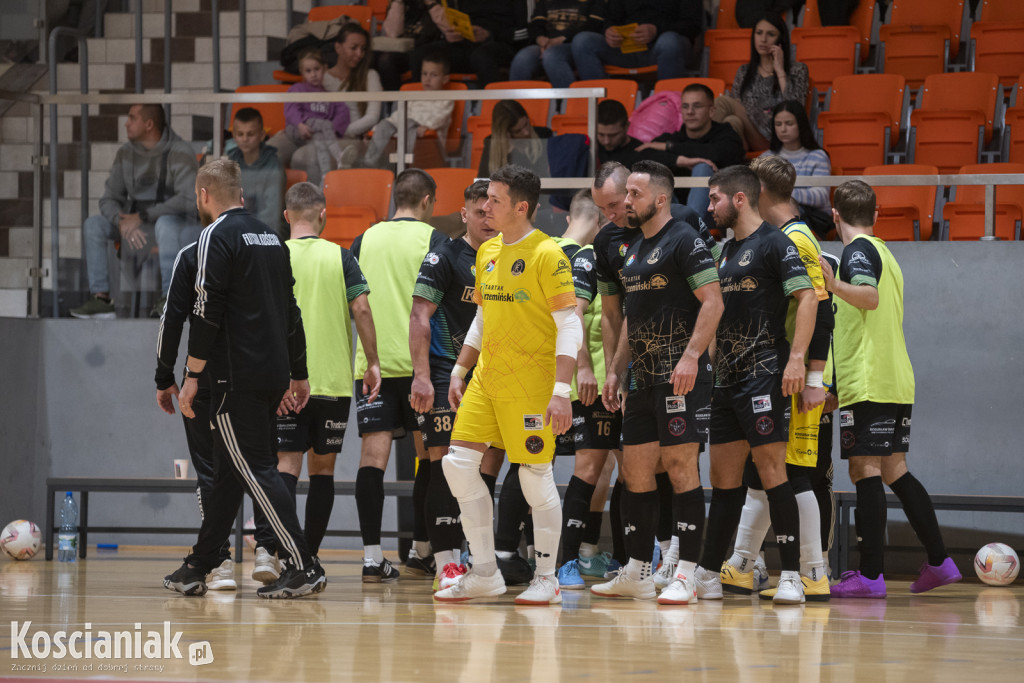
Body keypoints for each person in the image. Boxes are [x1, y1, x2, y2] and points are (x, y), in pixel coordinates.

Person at [163, 158, 324, 599]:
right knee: (232, 473)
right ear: (242, 193)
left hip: (234, 378)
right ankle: (200, 562)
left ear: (203, 195)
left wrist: (193, 373)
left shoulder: (215, 235)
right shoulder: (272, 236)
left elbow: (205, 313)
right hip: (272, 373)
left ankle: (303, 564)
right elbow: (291, 313)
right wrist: (299, 372)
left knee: (256, 469)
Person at [433, 164, 582, 604]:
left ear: (521, 207)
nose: (484, 206)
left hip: (533, 386)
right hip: (487, 379)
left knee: (535, 481)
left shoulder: (548, 255)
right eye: (484, 198)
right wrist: (460, 370)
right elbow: (483, 315)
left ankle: (547, 578)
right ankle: (484, 573)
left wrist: (561, 391)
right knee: (457, 465)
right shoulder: (487, 251)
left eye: (494, 200)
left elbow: (569, 326)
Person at [818, 180, 961, 598]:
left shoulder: (857, 252)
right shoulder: (886, 252)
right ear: (877, 215)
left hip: (870, 380)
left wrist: (834, 286)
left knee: (864, 469)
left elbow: (868, 297)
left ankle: (871, 576)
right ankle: (939, 561)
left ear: (836, 215)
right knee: (894, 469)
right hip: (894, 378)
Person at [590, 161, 724, 605]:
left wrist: (690, 357)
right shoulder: (630, 250)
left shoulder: (684, 239)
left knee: (683, 469)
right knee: (635, 472)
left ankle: (686, 572)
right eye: (625, 193)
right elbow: (630, 317)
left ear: (660, 198)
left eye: (634, 194)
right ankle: (638, 570)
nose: (626, 202)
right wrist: (614, 369)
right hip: (643, 379)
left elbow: (713, 302)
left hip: (681, 378)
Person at [692, 164, 818, 605]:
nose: (709, 207)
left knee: (772, 472)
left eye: (714, 199)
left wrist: (798, 360)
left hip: (764, 374)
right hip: (724, 381)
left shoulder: (776, 243)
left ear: (739, 199)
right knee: (723, 481)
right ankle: (707, 574)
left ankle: (791, 576)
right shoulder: (723, 252)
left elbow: (807, 298)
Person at [719, 154, 834, 602]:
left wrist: (813, 376)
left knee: (792, 472)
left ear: (757, 192)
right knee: (763, 471)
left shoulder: (795, 239)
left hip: (793, 373)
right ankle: (744, 561)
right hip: (772, 371)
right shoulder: (777, 238)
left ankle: (812, 571)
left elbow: (821, 311)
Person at [265, 182, 382, 570]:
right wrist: (373, 362)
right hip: (331, 384)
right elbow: (362, 310)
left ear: (286, 217)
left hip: (283, 383)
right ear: (323, 215)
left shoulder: (274, 255)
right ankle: (307, 558)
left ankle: (276, 551)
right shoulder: (341, 256)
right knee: (323, 471)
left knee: (286, 466)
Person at [351, 168, 448, 583]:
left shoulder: (364, 238)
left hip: (371, 366)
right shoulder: (435, 240)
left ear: (394, 197)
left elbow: (355, 301)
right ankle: (421, 550)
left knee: (372, 460)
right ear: (428, 201)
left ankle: (372, 557)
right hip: (420, 368)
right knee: (430, 457)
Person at [410, 179, 505, 591]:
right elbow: (419, 315)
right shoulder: (443, 256)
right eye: (478, 211)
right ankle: (445, 561)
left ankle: (475, 555)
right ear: (464, 214)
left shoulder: (508, 257)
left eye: (492, 210)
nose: (486, 218)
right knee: (443, 463)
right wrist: (421, 376)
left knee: (485, 471)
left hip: (498, 378)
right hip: (447, 372)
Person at [549, 189, 622, 591]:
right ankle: (566, 561)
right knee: (590, 468)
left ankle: (587, 553)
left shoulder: (547, 249)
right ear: (601, 220)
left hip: (584, 380)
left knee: (606, 469)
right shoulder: (586, 257)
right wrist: (586, 369)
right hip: (585, 382)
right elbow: (572, 317)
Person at [71, 104, 199, 319]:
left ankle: (171, 299)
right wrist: (121, 223)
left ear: (149, 124)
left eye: (132, 118)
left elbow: (189, 199)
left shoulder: (180, 151)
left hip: (175, 225)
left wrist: (142, 217)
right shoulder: (126, 153)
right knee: (94, 225)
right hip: (135, 224)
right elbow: (109, 198)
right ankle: (101, 300)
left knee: (165, 225)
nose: (126, 123)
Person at [639, 84, 746, 214]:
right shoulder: (675, 137)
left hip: (717, 214)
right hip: (675, 213)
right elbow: (642, 155)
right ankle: (680, 229)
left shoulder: (726, 134)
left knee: (702, 167)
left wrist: (670, 147)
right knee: (653, 170)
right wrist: (680, 160)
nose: (690, 112)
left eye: (697, 106)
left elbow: (717, 153)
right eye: (685, 106)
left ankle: (691, 229)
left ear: (711, 111)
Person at [712, 13, 809, 152]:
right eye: (759, 33)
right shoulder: (744, 71)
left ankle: (701, 148)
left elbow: (796, 108)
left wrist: (780, 71)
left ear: (780, 39)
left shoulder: (798, 69)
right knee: (731, 121)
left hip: (777, 135)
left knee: (723, 102)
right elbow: (737, 105)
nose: (763, 39)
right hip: (748, 136)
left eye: (770, 34)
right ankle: (725, 161)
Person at [271, 49, 351, 185]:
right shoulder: (297, 89)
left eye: (317, 69)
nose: (313, 74)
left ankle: (323, 180)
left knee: (315, 146)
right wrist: (300, 124)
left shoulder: (329, 95)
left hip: (316, 136)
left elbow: (343, 113)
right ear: (302, 73)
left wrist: (332, 130)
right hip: (295, 132)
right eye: (308, 71)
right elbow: (291, 109)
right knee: (271, 151)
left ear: (324, 69)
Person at [362, 49, 454, 168]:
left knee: (409, 123)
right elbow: (398, 117)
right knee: (386, 124)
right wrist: (374, 131)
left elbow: (438, 119)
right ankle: (368, 162)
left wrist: (425, 127)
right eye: (424, 74)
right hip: (403, 137)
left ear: (445, 79)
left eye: (434, 75)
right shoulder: (414, 97)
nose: (427, 79)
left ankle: (403, 164)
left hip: (429, 144)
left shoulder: (447, 99)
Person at [571, 0, 701, 81]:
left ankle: (668, 105)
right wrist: (609, 31)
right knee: (582, 41)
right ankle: (601, 106)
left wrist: (656, 30)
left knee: (669, 41)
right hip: (627, 49)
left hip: (665, 49)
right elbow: (611, 19)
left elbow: (693, 26)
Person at [759, 100, 833, 238]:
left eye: (789, 124)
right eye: (778, 124)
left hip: (812, 217)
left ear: (801, 124)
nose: (783, 129)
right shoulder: (766, 158)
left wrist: (781, 194)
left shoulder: (817, 156)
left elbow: (821, 196)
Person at [411, 1, 518, 87]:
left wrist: (490, 35)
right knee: (419, 55)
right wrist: (451, 33)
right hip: (466, 41)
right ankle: (417, 108)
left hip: (503, 42)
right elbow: (455, 18)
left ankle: (493, 107)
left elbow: (528, 30)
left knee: (481, 56)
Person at [509, 0, 603, 88]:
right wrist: (540, 39)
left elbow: (594, 26)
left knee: (552, 55)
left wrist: (561, 40)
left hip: (575, 45)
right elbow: (536, 24)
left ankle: (571, 102)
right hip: (546, 44)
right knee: (522, 57)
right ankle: (514, 103)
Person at [227, 107, 286, 237]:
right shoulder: (230, 163)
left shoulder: (273, 167)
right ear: (233, 135)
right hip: (237, 230)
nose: (245, 139)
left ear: (262, 135)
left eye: (250, 134)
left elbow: (271, 215)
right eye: (240, 134)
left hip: (267, 233)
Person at [323, 23, 383, 142]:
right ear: (338, 47)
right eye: (354, 48)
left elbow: (373, 116)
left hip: (351, 139)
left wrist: (342, 132)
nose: (359, 54)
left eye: (363, 49)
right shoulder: (321, 78)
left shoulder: (370, 75)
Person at [377, 0, 443, 91]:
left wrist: (430, 3)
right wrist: (398, 3)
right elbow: (393, 33)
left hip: (429, 47)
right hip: (404, 48)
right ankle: (394, 103)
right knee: (378, 58)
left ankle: (415, 98)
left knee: (416, 56)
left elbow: (440, 28)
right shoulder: (402, 3)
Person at [478, 100, 553, 178]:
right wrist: (511, 152)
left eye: (526, 124)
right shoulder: (490, 143)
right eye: (518, 131)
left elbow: (536, 176)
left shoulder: (544, 136)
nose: (526, 132)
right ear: (506, 134)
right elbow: (483, 182)